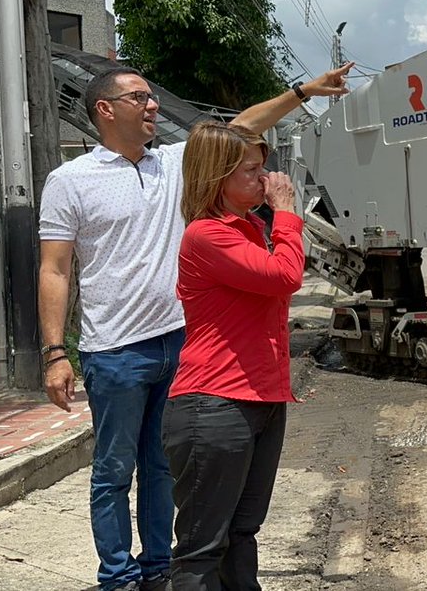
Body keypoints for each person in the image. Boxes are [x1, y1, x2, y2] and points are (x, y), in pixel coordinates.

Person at [39, 64, 352, 591]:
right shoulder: (70, 180)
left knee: (169, 471)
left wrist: (304, 91)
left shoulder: (171, 163)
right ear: (105, 109)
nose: (154, 105)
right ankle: (118, 576)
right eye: (140, 97)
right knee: (114, 472)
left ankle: (161, 568)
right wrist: (54, 351)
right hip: (114, 347)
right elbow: (55, 268)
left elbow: (242, 129)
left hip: (180, 342)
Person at [162, 122, 303, 589]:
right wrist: (286, 213)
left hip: (260, 400)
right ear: (216, 176)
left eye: (264, 170)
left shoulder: (251, 229)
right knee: (202, 549)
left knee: (242, 533)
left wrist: (274, 219)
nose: (265, 180)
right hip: (215, 403)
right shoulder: (207, 236)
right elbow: (285, 276)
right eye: (251, 171)